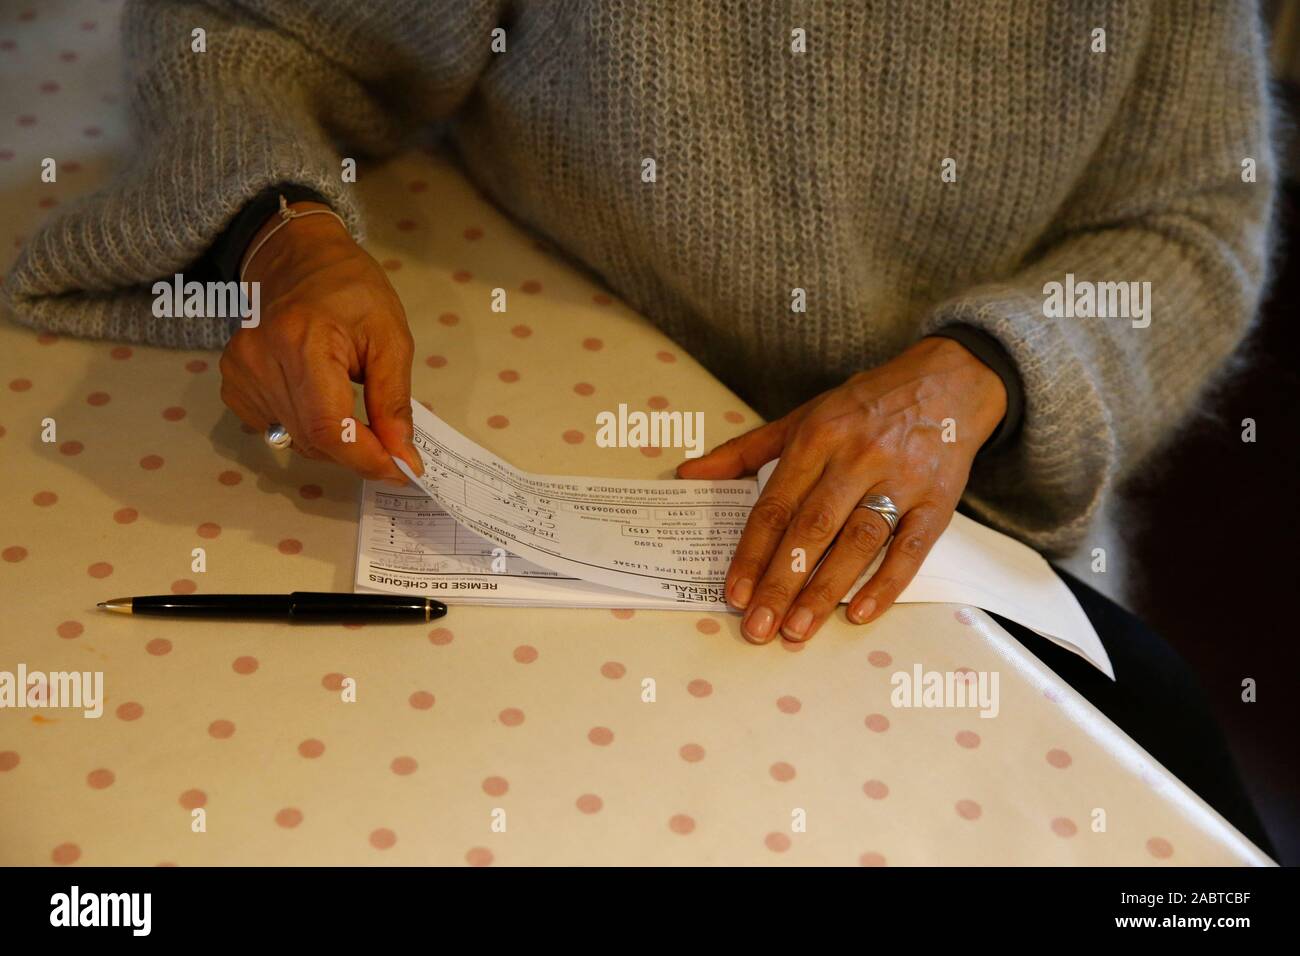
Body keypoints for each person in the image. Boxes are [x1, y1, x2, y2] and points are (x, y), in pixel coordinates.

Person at [1, 2, 1278, 853]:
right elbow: (253, 29)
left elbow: (1192, 220)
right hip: (557, 395)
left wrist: (983, 372)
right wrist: (286, 242)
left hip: (955, 509)